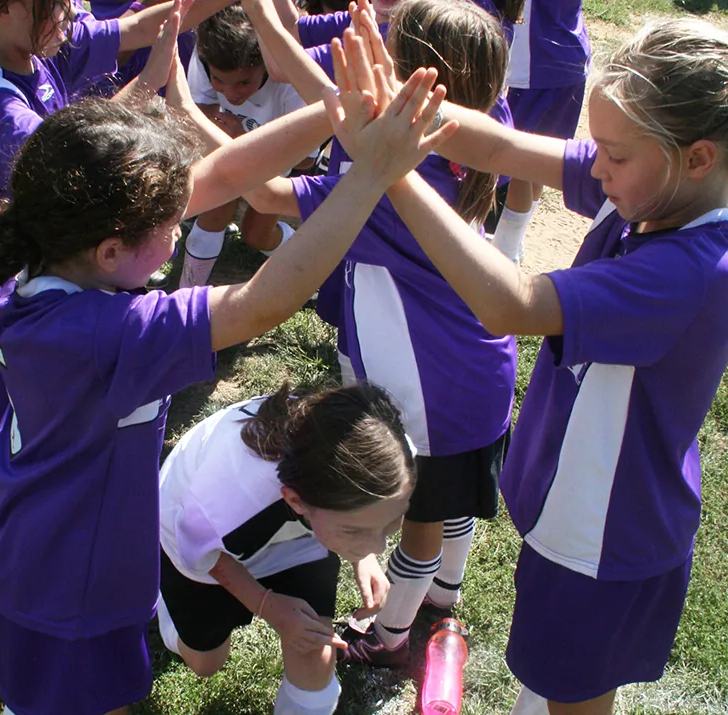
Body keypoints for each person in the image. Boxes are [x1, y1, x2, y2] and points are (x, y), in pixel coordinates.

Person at [0, 16, 455, 712]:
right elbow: (259, 302)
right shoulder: (108, 334)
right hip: (70, 577)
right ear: (111, 248)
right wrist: (367, 175)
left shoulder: (40, 246)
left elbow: (216, 174)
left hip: (35, 540)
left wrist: (336, 113)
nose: (186, 215)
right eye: (169, 222)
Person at [343, 16, 728, 715]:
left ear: (696, 157)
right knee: (552, 680)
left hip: (602, 534)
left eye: (610, 153)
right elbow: (502, 144)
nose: (593, 166)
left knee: (573, 695)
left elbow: (509, 302)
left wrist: (391, 175)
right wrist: (402, 105)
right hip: (580, 513)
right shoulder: (657, 189)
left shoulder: (688, 271)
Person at [244, 0, 517, 667]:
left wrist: (208, 134)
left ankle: (388, 634)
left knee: (419, 520)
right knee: (450, 506)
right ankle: (440, 597)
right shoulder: (482, 132)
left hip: (432, 391)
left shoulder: (389, 188)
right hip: (473, 370)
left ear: (411, 84)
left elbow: (266, 195)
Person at [0, 0, 190, 533]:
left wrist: (161, 59)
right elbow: (74, 171)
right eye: (59, 4)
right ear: (8, 10)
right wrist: (151, 82)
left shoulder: (32, 52)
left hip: (27, 278)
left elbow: (130, 32)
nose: (73, 12)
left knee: (20, 415)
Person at [157, 383, 415, 715]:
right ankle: (158, 597)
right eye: (355, 531)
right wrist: (268, 605)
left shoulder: (394, 458)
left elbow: (368, 509)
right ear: (295, 501)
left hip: (301, 534)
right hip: (197, 541)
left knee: (315, 650)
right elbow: (201, 552)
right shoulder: (230, 503)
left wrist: (364, 557)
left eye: (389, 524)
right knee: (205, 663)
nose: (379, 544)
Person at [178, 3, 314, 288]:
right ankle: (187, 291)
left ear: (267, 64)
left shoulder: (290, 78)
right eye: (219, 80)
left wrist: (244, 142)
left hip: (283, 160)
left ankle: (317, 269)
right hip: (234, 148)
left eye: (243, 83)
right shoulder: (205, 55)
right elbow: (195, 114)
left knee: (256, 235)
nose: (230, 94)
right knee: (216, 203)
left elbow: (305, 160)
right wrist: (227, 144)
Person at [490, 0, 590, 262]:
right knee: (536, 163)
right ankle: (513, 242)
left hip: (533, 67)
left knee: (519, 161)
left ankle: (505, 251)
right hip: (568, 56)